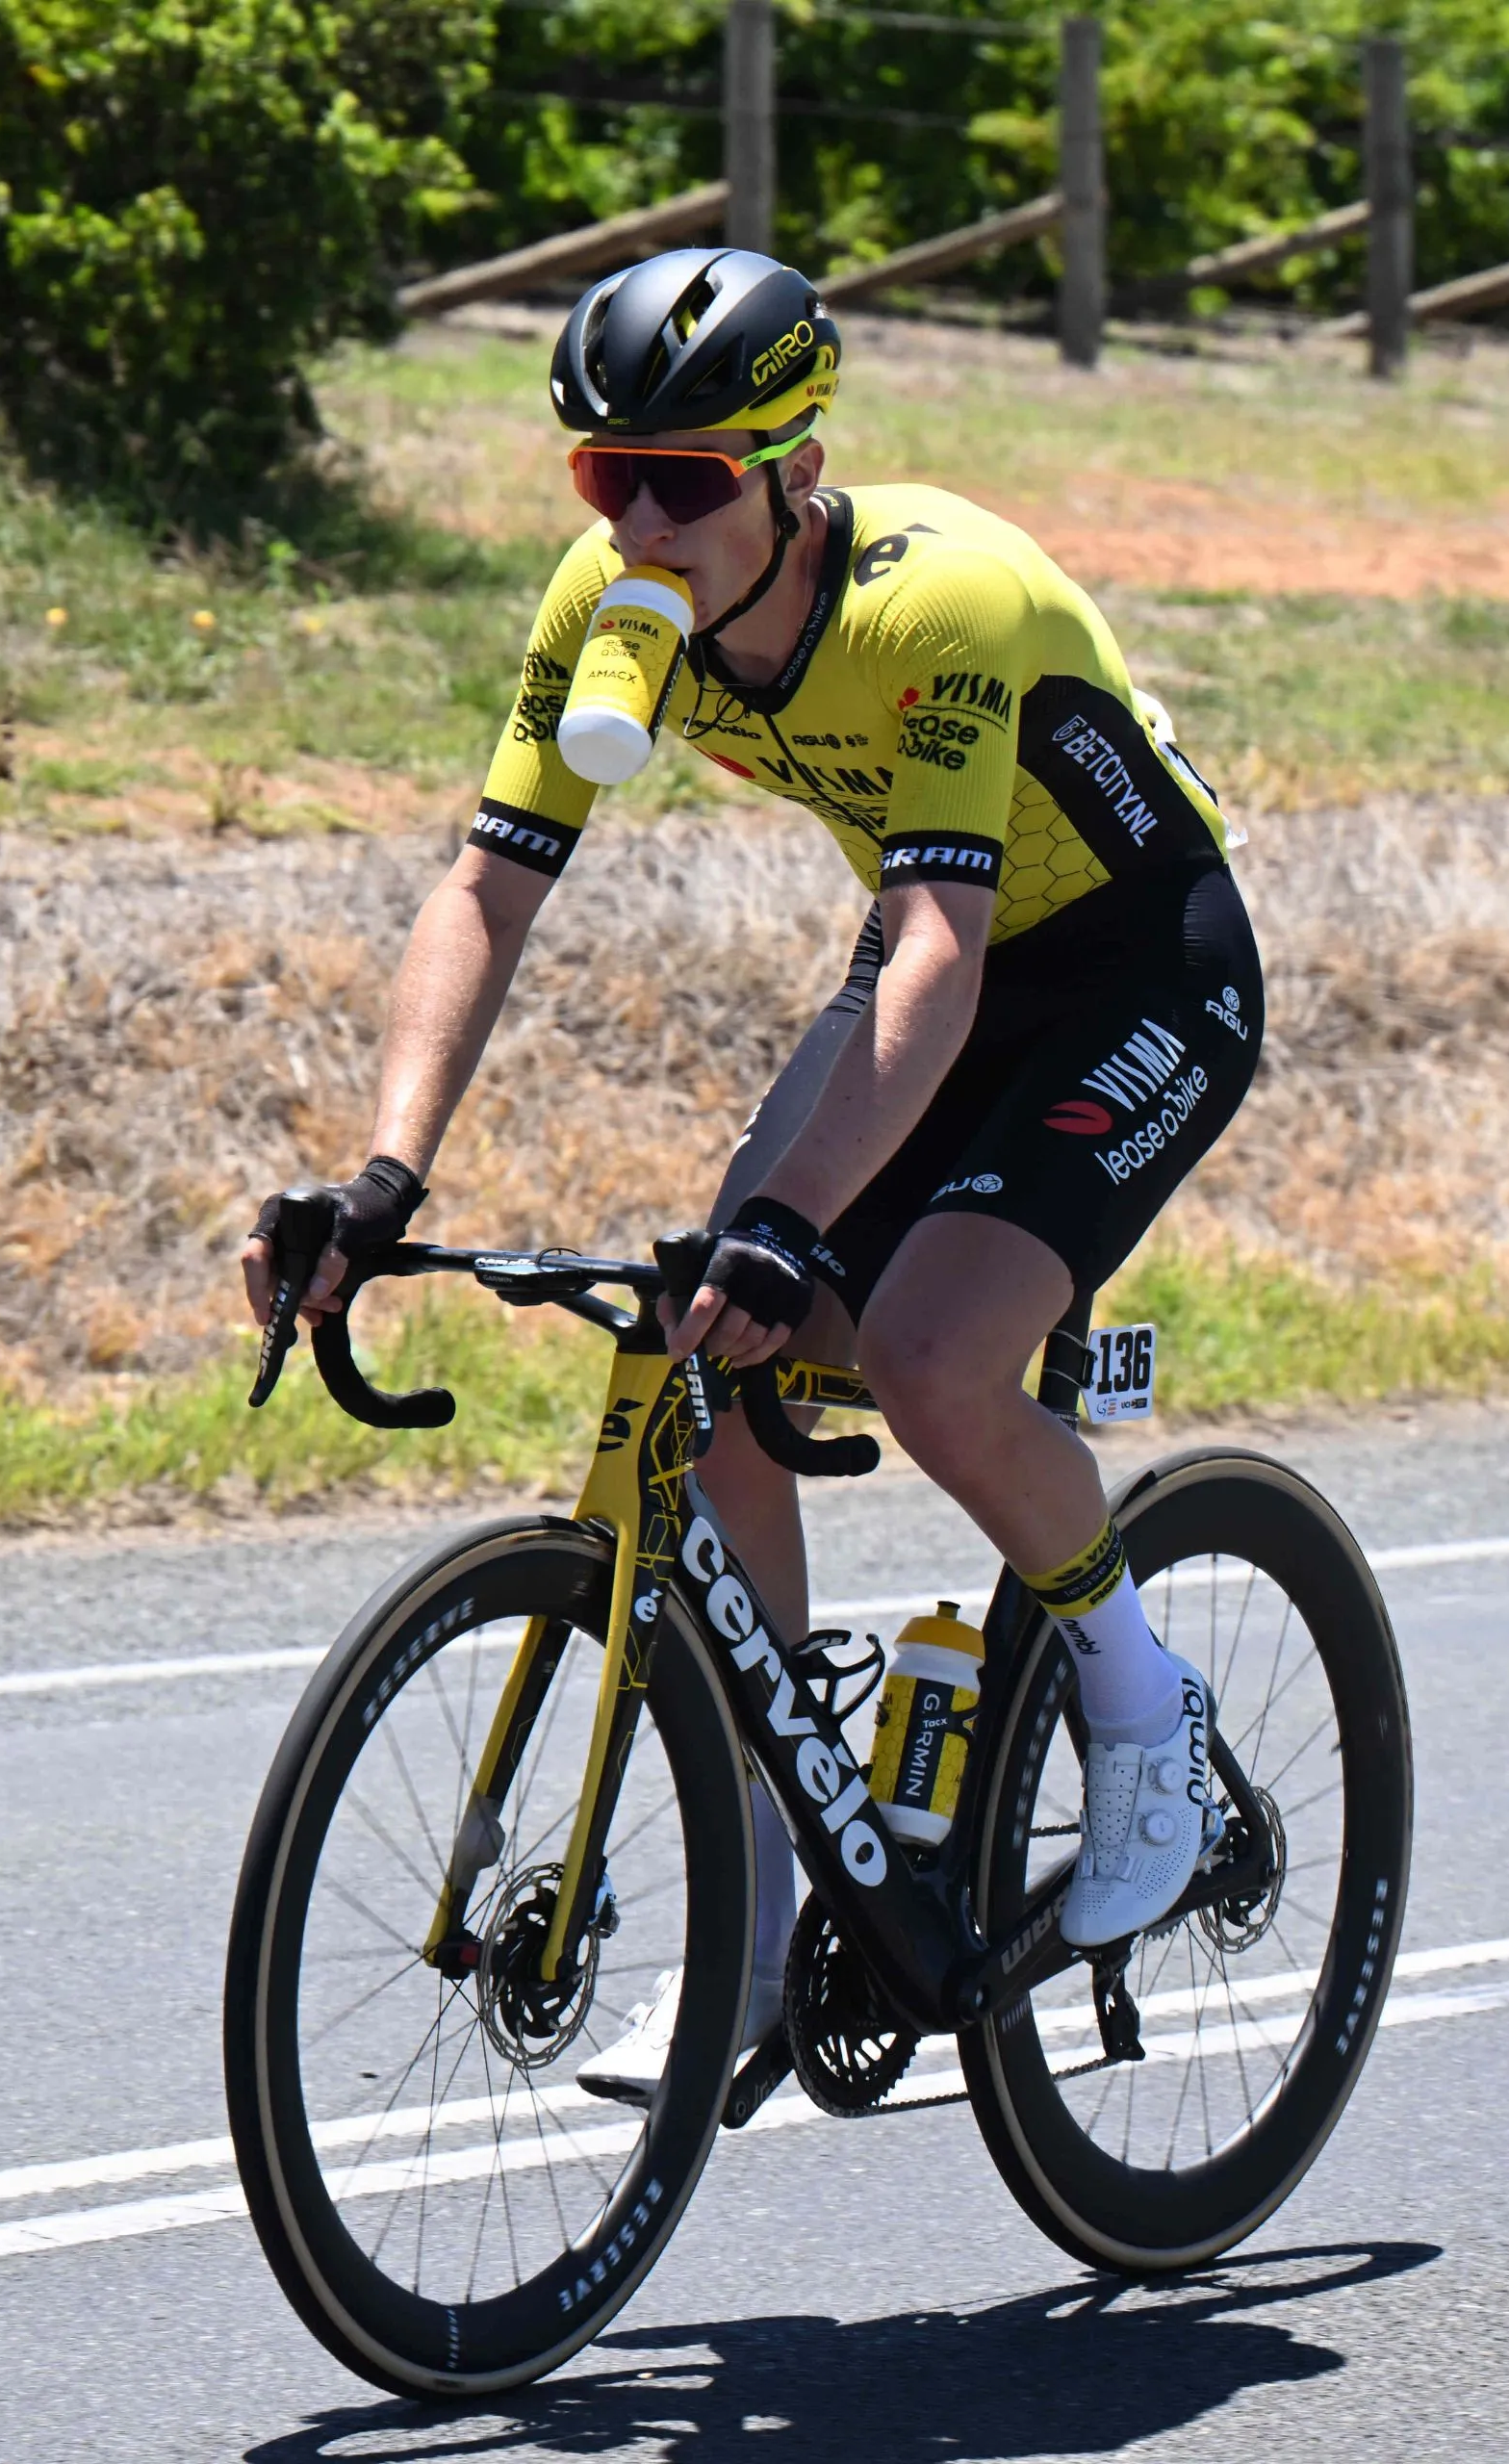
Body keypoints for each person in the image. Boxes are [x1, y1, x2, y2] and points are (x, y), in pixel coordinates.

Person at [239, 247, 1260, 2100]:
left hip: (1132, 967)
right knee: (711, 1352)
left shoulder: (938, 602)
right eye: (600, 476)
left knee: (939, 1360)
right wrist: (385, 1175)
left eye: (687, 478)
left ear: (795, 467)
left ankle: (1142, 1702)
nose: (638, 514)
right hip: (937, 965)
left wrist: (795, 1220)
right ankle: (774, 1935)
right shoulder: (607, 607)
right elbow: (488, 887)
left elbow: (945, 948)